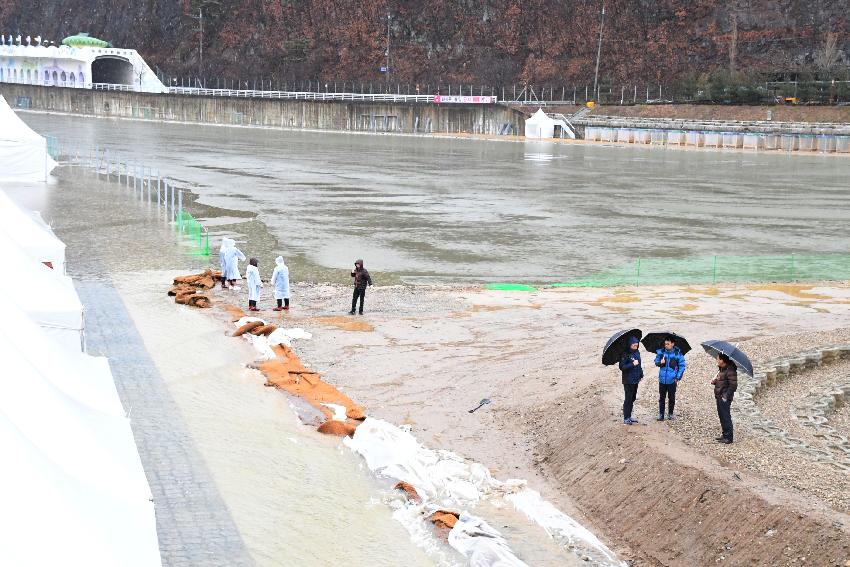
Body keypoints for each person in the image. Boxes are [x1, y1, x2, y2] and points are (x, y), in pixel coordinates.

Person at [655, 335, 686, 421]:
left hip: (672, 380)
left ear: (673, 344)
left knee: (671, 398)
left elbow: (682, 366)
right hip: (662, 380)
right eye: (665, 344)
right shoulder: (661, 352)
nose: (666, 345)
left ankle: (670, 414)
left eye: (668, 344)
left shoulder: (678, 354)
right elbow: (656, 362)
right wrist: (660, 362)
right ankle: (661, 415)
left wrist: (677, 377)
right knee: (661, 398)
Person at [712, 353, 738, 444]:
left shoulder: (730, 370)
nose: (717, 360)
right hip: (719, 396)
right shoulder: (722, 369)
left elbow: (733, 385)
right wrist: (715, 381)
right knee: (722, 416)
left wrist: (725, 396)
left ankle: (729, 437)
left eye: (718, 359)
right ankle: (725, 434)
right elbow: (723, 381)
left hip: (724, 398)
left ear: (722, 360)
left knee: (726, 416)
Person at [619, 336, 643, 425]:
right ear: (629, 345)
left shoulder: (637, 352)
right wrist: (632, 364)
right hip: (628, 380)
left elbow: (639, 364)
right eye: (633, 345)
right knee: (628, 399)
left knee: (633, 398)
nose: (635, 347)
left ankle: (629, 416)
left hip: (636, 379)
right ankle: (626, 418)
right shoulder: (625, 354)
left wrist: (641, 373)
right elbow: (622, 367)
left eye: (637, 345)